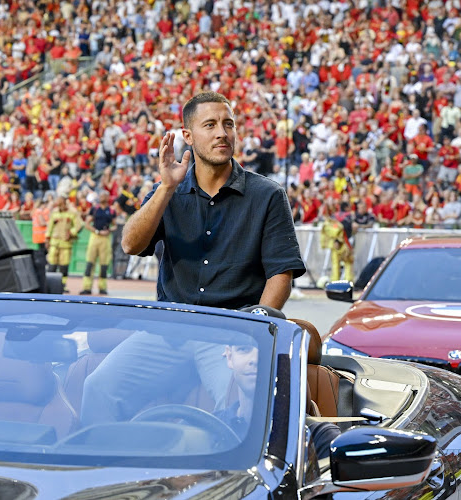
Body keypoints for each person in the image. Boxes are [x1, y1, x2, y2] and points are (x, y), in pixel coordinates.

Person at [82, 92, 305, 425]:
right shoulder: (168, 190)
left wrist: (253, 332)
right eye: (210, 125)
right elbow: (130, 244)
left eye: (228, 124)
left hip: (231, 333)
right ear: (188, 136)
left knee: (240, 408)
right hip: (171, 329)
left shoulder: (267, 194)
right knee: (97, 387)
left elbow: (280, 274)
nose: (222, 133)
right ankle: (97, 471)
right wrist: (166, 188)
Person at [80, 191, 116, 295]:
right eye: (100, 195)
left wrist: (109, 230)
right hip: (95, 237)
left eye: (104, 195)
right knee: (90, 262)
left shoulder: (111, 210)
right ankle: (87, 287)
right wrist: (96, 231)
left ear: (108, 197)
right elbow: (87, 223)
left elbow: (115, 225)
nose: (102, 197)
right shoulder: (95, 209)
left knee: (104, 264)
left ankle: (102, 287)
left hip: (106, 238)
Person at [45, 195, 82, 292]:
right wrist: (47, 238)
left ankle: (63, 285)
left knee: (64, 266)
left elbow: (79, 225)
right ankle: (48, 284)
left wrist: (71, 232)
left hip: (65, 244)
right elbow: (50, 226)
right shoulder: (54, 212)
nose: (58, 203)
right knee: (52, 265)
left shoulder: (72, 212)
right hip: (54, 242)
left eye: (60, 201)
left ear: (65, 201)